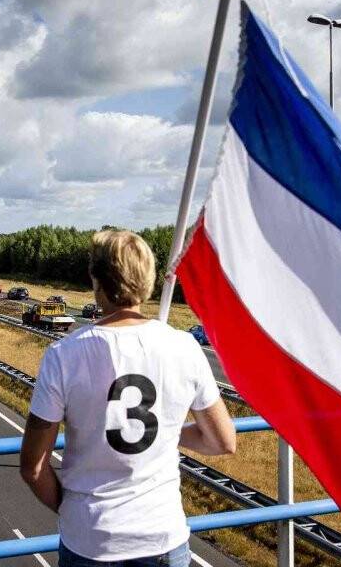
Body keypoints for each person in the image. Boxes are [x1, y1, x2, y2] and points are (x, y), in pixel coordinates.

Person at [20, 230, 236, 567]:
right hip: (164, 538)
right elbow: (222, 440)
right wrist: (160, 429)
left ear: (97, 281)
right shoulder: (185, 347)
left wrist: (73, 510)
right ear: (149, 280)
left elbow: (33, 467)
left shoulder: (64, 355)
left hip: (90, 539)